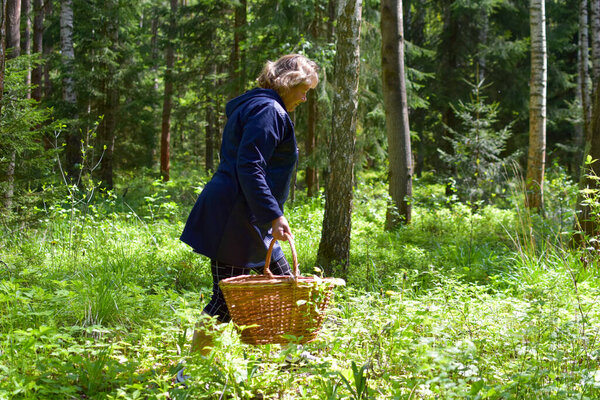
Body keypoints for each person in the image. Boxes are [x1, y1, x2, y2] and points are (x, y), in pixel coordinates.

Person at [179, 54, 319, 356]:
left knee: (288, 284)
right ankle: (189, 369)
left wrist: (268, 214)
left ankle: (293, 353)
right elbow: (249, 165)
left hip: (250, 215)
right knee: (225, 299)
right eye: (304, 90)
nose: (306, 98)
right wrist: (273, 214)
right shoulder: (268, 110)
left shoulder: (261, 106)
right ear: (289, 82)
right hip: (235, 217)